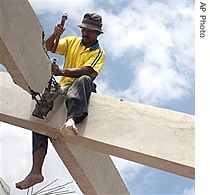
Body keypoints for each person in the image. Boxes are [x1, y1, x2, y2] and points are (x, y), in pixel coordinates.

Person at [15, 12, 106, 190]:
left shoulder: (99, 53)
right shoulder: (72, 42)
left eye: (90, 31)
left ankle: (72, 119)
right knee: (40, 116)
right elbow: (47, 47)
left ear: (97, 34)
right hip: (62, 87)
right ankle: (36, 171)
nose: (86, 33)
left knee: (84, 80)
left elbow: (87, 70)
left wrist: (62, 72)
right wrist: (55, 35)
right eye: (85, 29)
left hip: (80, 89)